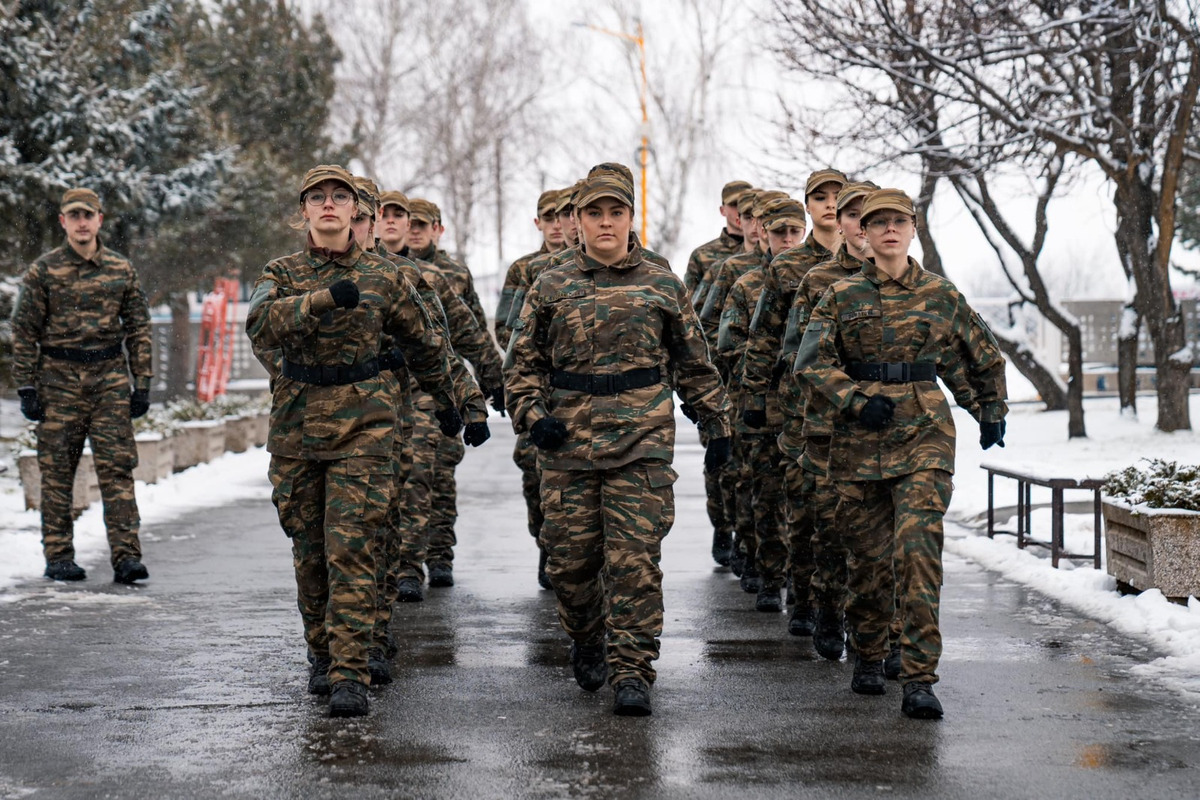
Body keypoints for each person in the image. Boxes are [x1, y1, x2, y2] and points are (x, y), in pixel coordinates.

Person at [505, 164, 731, 717]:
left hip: (642, 438)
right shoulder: (550, 284)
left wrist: (716, 422)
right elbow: (521, 367)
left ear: (631, 218)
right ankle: (586, 636)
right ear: (578, 220)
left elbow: (694, 362)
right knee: (571, 564)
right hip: (568, 444)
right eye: (593, 213)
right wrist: (535, 416)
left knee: (634, 559)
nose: (605, 222)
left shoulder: (661, 281)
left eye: (616, 212)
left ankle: (633, 669)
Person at [247, 165, 460, 718]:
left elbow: (425, 341)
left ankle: (351, 670)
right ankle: (321, 653)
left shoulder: (385, 276)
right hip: (296, 429)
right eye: (316, 197)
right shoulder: (284, 270)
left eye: (338, 197)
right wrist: (320, 300)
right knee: (309, 551)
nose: (328, 206)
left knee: (352, 547)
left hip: (365, 425)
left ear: (353, 210)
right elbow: (260, 326)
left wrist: (448, 400)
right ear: (304, 211)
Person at [796, 188, 1008, 719]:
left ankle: (919, 678)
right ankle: (868, 652)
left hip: (924, 436)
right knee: (868, 564)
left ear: (912, 230)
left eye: (899, 221)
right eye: (878, 223)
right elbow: (810, 362)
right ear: (862, 234)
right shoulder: (841, 296)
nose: (890, 230)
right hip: (860, 443)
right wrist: (853, 399)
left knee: (918, 554)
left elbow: (980, 353)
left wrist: (990, 409)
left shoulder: (940, 294)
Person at [11, 187, 153, 585]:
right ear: (63, 222)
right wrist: (27, 386)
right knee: (57, 472)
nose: (81, 222)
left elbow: (139, 327)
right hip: (58, 379)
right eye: (73, 216)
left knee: (117, 470)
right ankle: (58, 555)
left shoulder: (120, 270)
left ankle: (127, 557)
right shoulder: (44, 270)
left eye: (87, 215)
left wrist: (141, 383)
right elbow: (24, 330)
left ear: (99, 219)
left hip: (108, 378)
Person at [778, 180, 878, 659]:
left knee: (885, 537)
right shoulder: (818, 282)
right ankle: (828, 609)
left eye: (873, 215)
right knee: (831, 530)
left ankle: (880, 637)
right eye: (854, 216)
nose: (863, 225)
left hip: (891, 429)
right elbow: (797, 353)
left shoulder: (915, 281)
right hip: (827, 426)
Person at [406, 198, 503, 587]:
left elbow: (472, 330)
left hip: (439, 386)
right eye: (404, 221)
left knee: (437, 476)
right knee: (412, 476)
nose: (413, 230)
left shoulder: (451, 275)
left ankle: (439, 552)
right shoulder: (385, 270)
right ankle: (404, 566)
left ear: (437, 229)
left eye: (420, 224)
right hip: (396, 389)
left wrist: (490, 381)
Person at [718, 196, 807, 612]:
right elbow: (728, 344)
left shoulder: (824, 279)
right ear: (763, 236)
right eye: (779, 233)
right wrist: (761, 377)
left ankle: (805, 586)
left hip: (811, 410)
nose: (787, 240)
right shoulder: (746, 284)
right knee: (765, 494)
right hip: (764, 406)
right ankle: (770, 575)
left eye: (794, 232)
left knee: (807, 501)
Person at [685, 179, 751, 298]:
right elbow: (688, 305)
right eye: (734, 204)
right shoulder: (702, 256)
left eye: (746, 205)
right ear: (722, 210)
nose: (740, 210)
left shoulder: (768, 253)